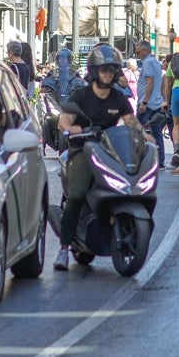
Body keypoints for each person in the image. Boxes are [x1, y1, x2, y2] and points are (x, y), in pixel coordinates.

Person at [53, 44, 141, 271]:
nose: (108, 74)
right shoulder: (81, 94)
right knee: (78, 194)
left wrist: (145, 136)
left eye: (112, 70)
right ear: (94, 71)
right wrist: (70, 128)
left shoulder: (118, 98)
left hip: (109, 150)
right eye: (104, 70)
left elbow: (131, 121)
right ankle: (63, 249)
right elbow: (64, 119)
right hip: (83, 149)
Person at [133, 40, 165, 168]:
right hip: (156, 102)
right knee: (157, 132)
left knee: (137, 130)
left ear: (145, 50)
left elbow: (150, 82)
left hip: (148, 103)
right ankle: (160, 161)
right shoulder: (156, 62)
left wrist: (144, 102)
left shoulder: (147, 63)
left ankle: (136, 160)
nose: (137, 52)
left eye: (138, 49)